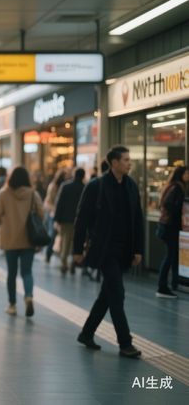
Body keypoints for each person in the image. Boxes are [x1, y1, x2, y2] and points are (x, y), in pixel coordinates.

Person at [74, 146, 144, 358]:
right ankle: (125, 343)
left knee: (107, 294)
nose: (129, 163)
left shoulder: (131, 186)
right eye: (126, 160)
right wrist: (77, 249)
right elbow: (82, 219)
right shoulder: (97, 186)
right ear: (114, 162)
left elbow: (138, 220)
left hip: (124, 250)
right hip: (104, 249)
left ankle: (86, 334)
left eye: (129, 160)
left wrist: (139, 249)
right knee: (117, 293)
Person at [0, 166, 45, 316]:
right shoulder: (33, 194)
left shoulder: (4, 193)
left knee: (12, 273)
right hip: (29, 239)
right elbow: (42, 214)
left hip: (9, 240)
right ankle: (28, 296)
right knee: (27, 271)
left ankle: (12, 305)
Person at [156, 166, 188, 298]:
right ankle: (162, 287)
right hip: (170, 227)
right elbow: (169, 205)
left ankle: (173, 284)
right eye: (187, 173)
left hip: (167, 226)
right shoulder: (177, 187)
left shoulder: (173, 186)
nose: (188, 175)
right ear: (181, 174)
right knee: (170, 256)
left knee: (173, 256)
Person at [53, 168, 86, 275]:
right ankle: (73, 263)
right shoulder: (84, 188)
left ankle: (63, 264)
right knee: (75, 243)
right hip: (79, 220)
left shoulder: (65, 186)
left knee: (65, 242)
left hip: (65, 219)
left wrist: (57, 219)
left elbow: (59, 204)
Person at [44, 168, 70, 265]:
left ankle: (61, 257)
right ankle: (48, 254)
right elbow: (48, 202)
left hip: (63, 214)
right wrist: (56, 209)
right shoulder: (53, 186)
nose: (67, 178)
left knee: (63, 236)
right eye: (65, 176)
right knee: (52, 235)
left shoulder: (67, 186)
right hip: (53, 214)